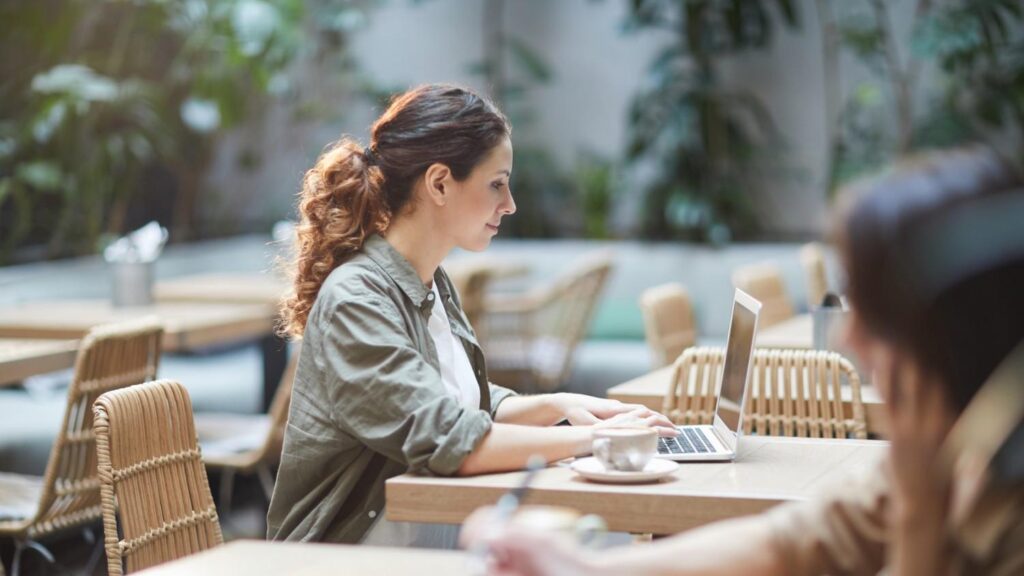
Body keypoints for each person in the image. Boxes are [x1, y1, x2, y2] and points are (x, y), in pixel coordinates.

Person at [461, 146, 1024, 576]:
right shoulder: (950, 443)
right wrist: (584, 568)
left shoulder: (989, 492)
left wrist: (921, 513)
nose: (849, 331)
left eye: (873, 306)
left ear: (951, 310)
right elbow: (787, 541)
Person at [267, 84, 675, 547]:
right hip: (342, 560)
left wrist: (562, 407)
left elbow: (458, 398)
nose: (510, 204)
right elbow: (449, 438)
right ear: (439, 183)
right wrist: (596, 441)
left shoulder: (431, 280)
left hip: (425, 542)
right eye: (496, 184)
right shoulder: (356, 300)